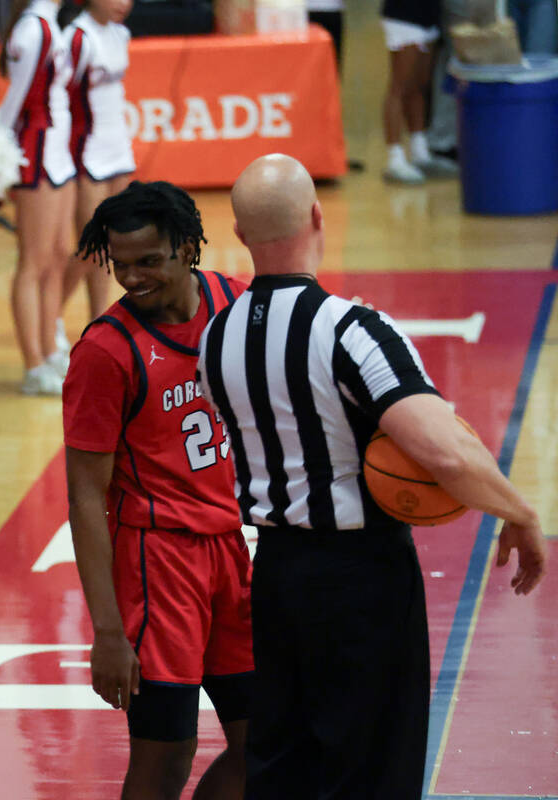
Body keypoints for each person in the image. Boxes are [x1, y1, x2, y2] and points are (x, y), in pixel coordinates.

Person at [197, 153, 548, 798]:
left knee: (283, 762)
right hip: (362, 578)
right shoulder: (353, 331)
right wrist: (520, 512)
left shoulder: (216, 337)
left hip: (274, 574)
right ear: (317, 216)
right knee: (373, 767)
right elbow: (444, 452)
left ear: (242, 235)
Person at [63, 182, 252, 800]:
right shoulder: (104, 352)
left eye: (149, 261)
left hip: (231, 550)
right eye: (121, 265)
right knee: (165, 759)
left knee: (269, 746)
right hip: (158, 565)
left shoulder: (233, 301)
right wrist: (108, 631)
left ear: (187, 248)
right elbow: (86, 498)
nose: (133, 278)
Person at [0, 0, 77, 395]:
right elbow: (15, 101)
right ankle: (33, 364)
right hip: (37, 150)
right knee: (34, 261)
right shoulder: (35, 28)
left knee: (59, 255)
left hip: (58, 150)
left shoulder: (48, 23)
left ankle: (48, 348)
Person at [59, 0, 136, 325]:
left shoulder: (120, 34)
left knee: (114, 240)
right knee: (91, 243)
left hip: (118, 145)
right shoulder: (77, 38)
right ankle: (52, 316)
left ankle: (99, 319)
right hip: (86, 150)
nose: (124, 4)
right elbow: (60, 95)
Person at [380, 0, 458, 183]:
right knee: (399, 87)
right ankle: (395, 157)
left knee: (419, 86)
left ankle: (420, 152)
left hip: (429, 15)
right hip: (403, 16)